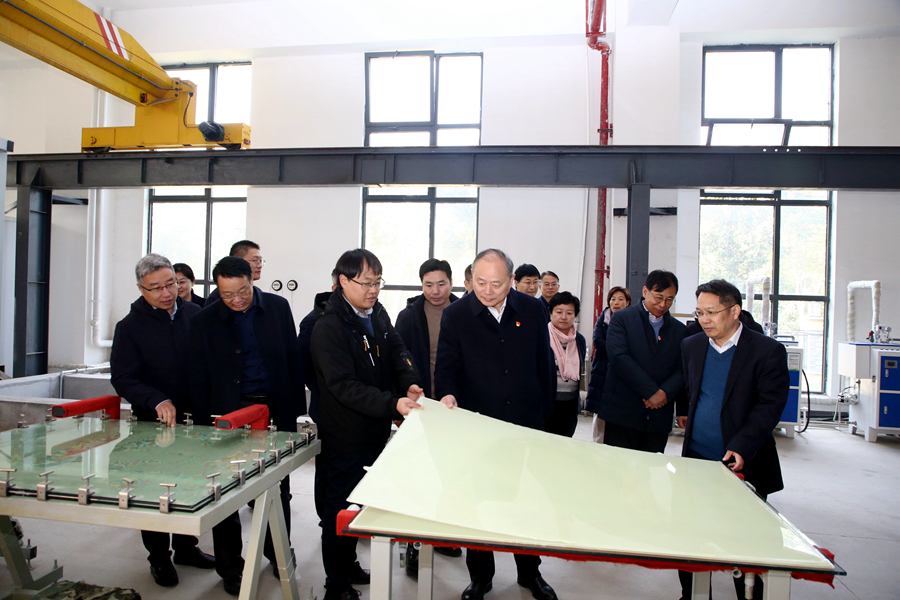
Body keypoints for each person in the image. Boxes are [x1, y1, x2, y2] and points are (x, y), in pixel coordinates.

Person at [435, 248, 556, 600]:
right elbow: (447, 367)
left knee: (525, 501)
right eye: (480, 282)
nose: (487, 291)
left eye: (497, 284)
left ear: (511, 280)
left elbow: (543, 365)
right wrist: (447, 395)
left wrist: (544, 420)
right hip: (478, 425)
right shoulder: (456, 314)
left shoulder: (532, 309)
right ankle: (480, 576)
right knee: (478, 502)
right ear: (471, 279)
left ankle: (530, 572)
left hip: (524, 423)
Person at [311, 249, 423, 600]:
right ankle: (336, 585)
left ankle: (349, 566)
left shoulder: (377, 314)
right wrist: (392, 403)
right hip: (344, 433)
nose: (373, 290)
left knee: (359, 504)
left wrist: (409, 382)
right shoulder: (329, 327)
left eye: (378, 282)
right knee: (339, 509)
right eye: (366, 283)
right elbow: (344, 386)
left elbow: (398, 351)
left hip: (374, 428)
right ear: (343, 281)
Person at [189, 256, 305, 593]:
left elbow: (292, 360)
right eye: (227, 294)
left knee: (277, 486)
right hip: (229, 414)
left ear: (252, 280)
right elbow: (198, 377)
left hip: (273, 409)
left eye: (242, 291)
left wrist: (295, 413)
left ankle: (277, 550)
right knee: (225, 491)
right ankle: (230, 567)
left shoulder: (278, 308)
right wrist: (203, 426)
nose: (236, 300)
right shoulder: (204, 321)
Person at [676, 280, 789, 600]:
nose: (704, 319)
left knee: (746, 543)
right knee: (691, 539)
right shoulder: (692, 346)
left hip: (743, 461)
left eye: (711, 312)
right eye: (699, 313)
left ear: (735, 311)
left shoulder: (766, 351)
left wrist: (742, 444)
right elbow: (690, 389)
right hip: (697, 459)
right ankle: (694, 596)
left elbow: (770, 406)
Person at [110, 254, 215, 587]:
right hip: (154, 424)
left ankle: (186, 547)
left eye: (171, 283)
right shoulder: (130, 327)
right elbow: (123, 377)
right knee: (154, 492)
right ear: (141, 289)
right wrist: (156, 399)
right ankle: (158, 557)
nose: (167, 293)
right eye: (156, 288)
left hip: (196, 422)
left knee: (191, 487)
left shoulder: (196, 315)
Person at [395, 259, 463, 576]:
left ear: (451, 282)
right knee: (420, 476)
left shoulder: (463, 313)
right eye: (428, 284)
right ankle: (415, 544)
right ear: (421, 285)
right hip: (420, 407)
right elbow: (397, 361)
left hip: (453, 408)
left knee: (450, 476)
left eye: (441, 283)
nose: (435, 291)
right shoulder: (409, 317)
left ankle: (442, 535)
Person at [597, 270, 686, 453]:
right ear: (645, 291)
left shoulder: (679, 330)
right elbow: (619, 358)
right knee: (617, 465)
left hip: (658, 417)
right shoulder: (622, 319)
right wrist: (652, 392)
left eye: (669, 299)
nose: (663, 304)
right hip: (623, 413)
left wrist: (664, 393)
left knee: (650, 467)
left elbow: (682, 369)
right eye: (658, 297)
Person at [584, 286, 631, 443]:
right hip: (602, 370)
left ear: (628, 302)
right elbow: (598, 341)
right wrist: (618, 352)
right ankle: (597, 445)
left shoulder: (632, 321)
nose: (616, 302)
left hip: (623, 371)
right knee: (600, 412)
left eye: (620, 299)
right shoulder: (603, 319)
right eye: (613, 299)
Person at [297, 269, 339, 423]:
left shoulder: (372, 315)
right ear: (335, 288)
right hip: (328, 405)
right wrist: (318, 386)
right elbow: (304, 363)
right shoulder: (313, 321)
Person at [545, 291, 586, 438]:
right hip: (546, 404)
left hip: (569, 406)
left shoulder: (579, 340)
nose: (564, 317)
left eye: (569, 313)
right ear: (550, 313)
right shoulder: (542, 336)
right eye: (559, 312)